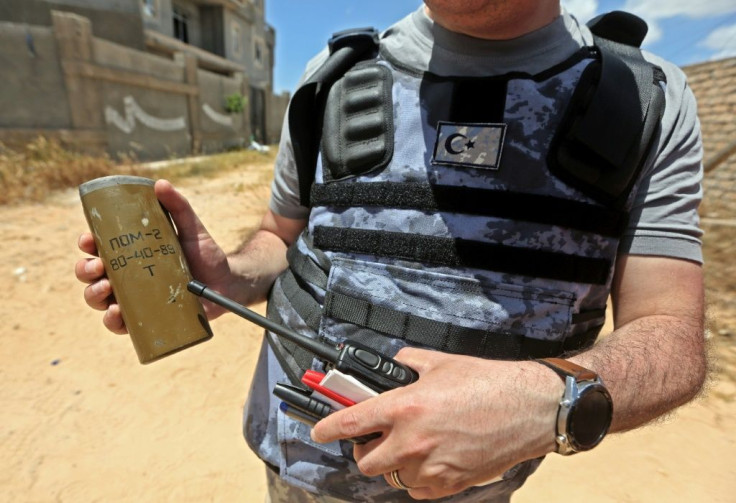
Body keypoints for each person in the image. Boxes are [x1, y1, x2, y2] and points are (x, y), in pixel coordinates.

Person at [75, 1, 707, 501]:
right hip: (296, 463)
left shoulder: (644, 98)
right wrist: (229, 275)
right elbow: (280, 237)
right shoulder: (335, 76)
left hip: (470, 492)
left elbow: (671, 333)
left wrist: (549, 405)